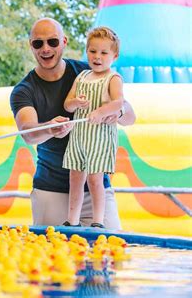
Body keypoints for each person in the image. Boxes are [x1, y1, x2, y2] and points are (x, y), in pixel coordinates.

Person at [10, 18, 136, 229]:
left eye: (52, 41)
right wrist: (50, 128)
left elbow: (130, 116)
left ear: (64, 41)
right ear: (30, 45)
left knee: (109, 252)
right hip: (51, 189)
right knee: (53, 255)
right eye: (38, 43)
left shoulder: (91, 71)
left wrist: (119, 111)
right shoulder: (24, 90)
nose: (46, 49)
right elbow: (28, 133)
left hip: (96, 187)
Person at [62, 27, 124, 228]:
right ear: (87, 51)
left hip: (99, 137)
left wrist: (102, 111)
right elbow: (67, 103)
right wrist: (75, 103)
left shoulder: (113, 78)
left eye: (104, 53)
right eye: (93, 51)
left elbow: (118, 103)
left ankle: (98, 220)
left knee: (95, 179)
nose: (97, 57)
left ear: (114, 56)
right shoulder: (81, 76)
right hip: (79, 137)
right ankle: (73, 219)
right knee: (75, 177)